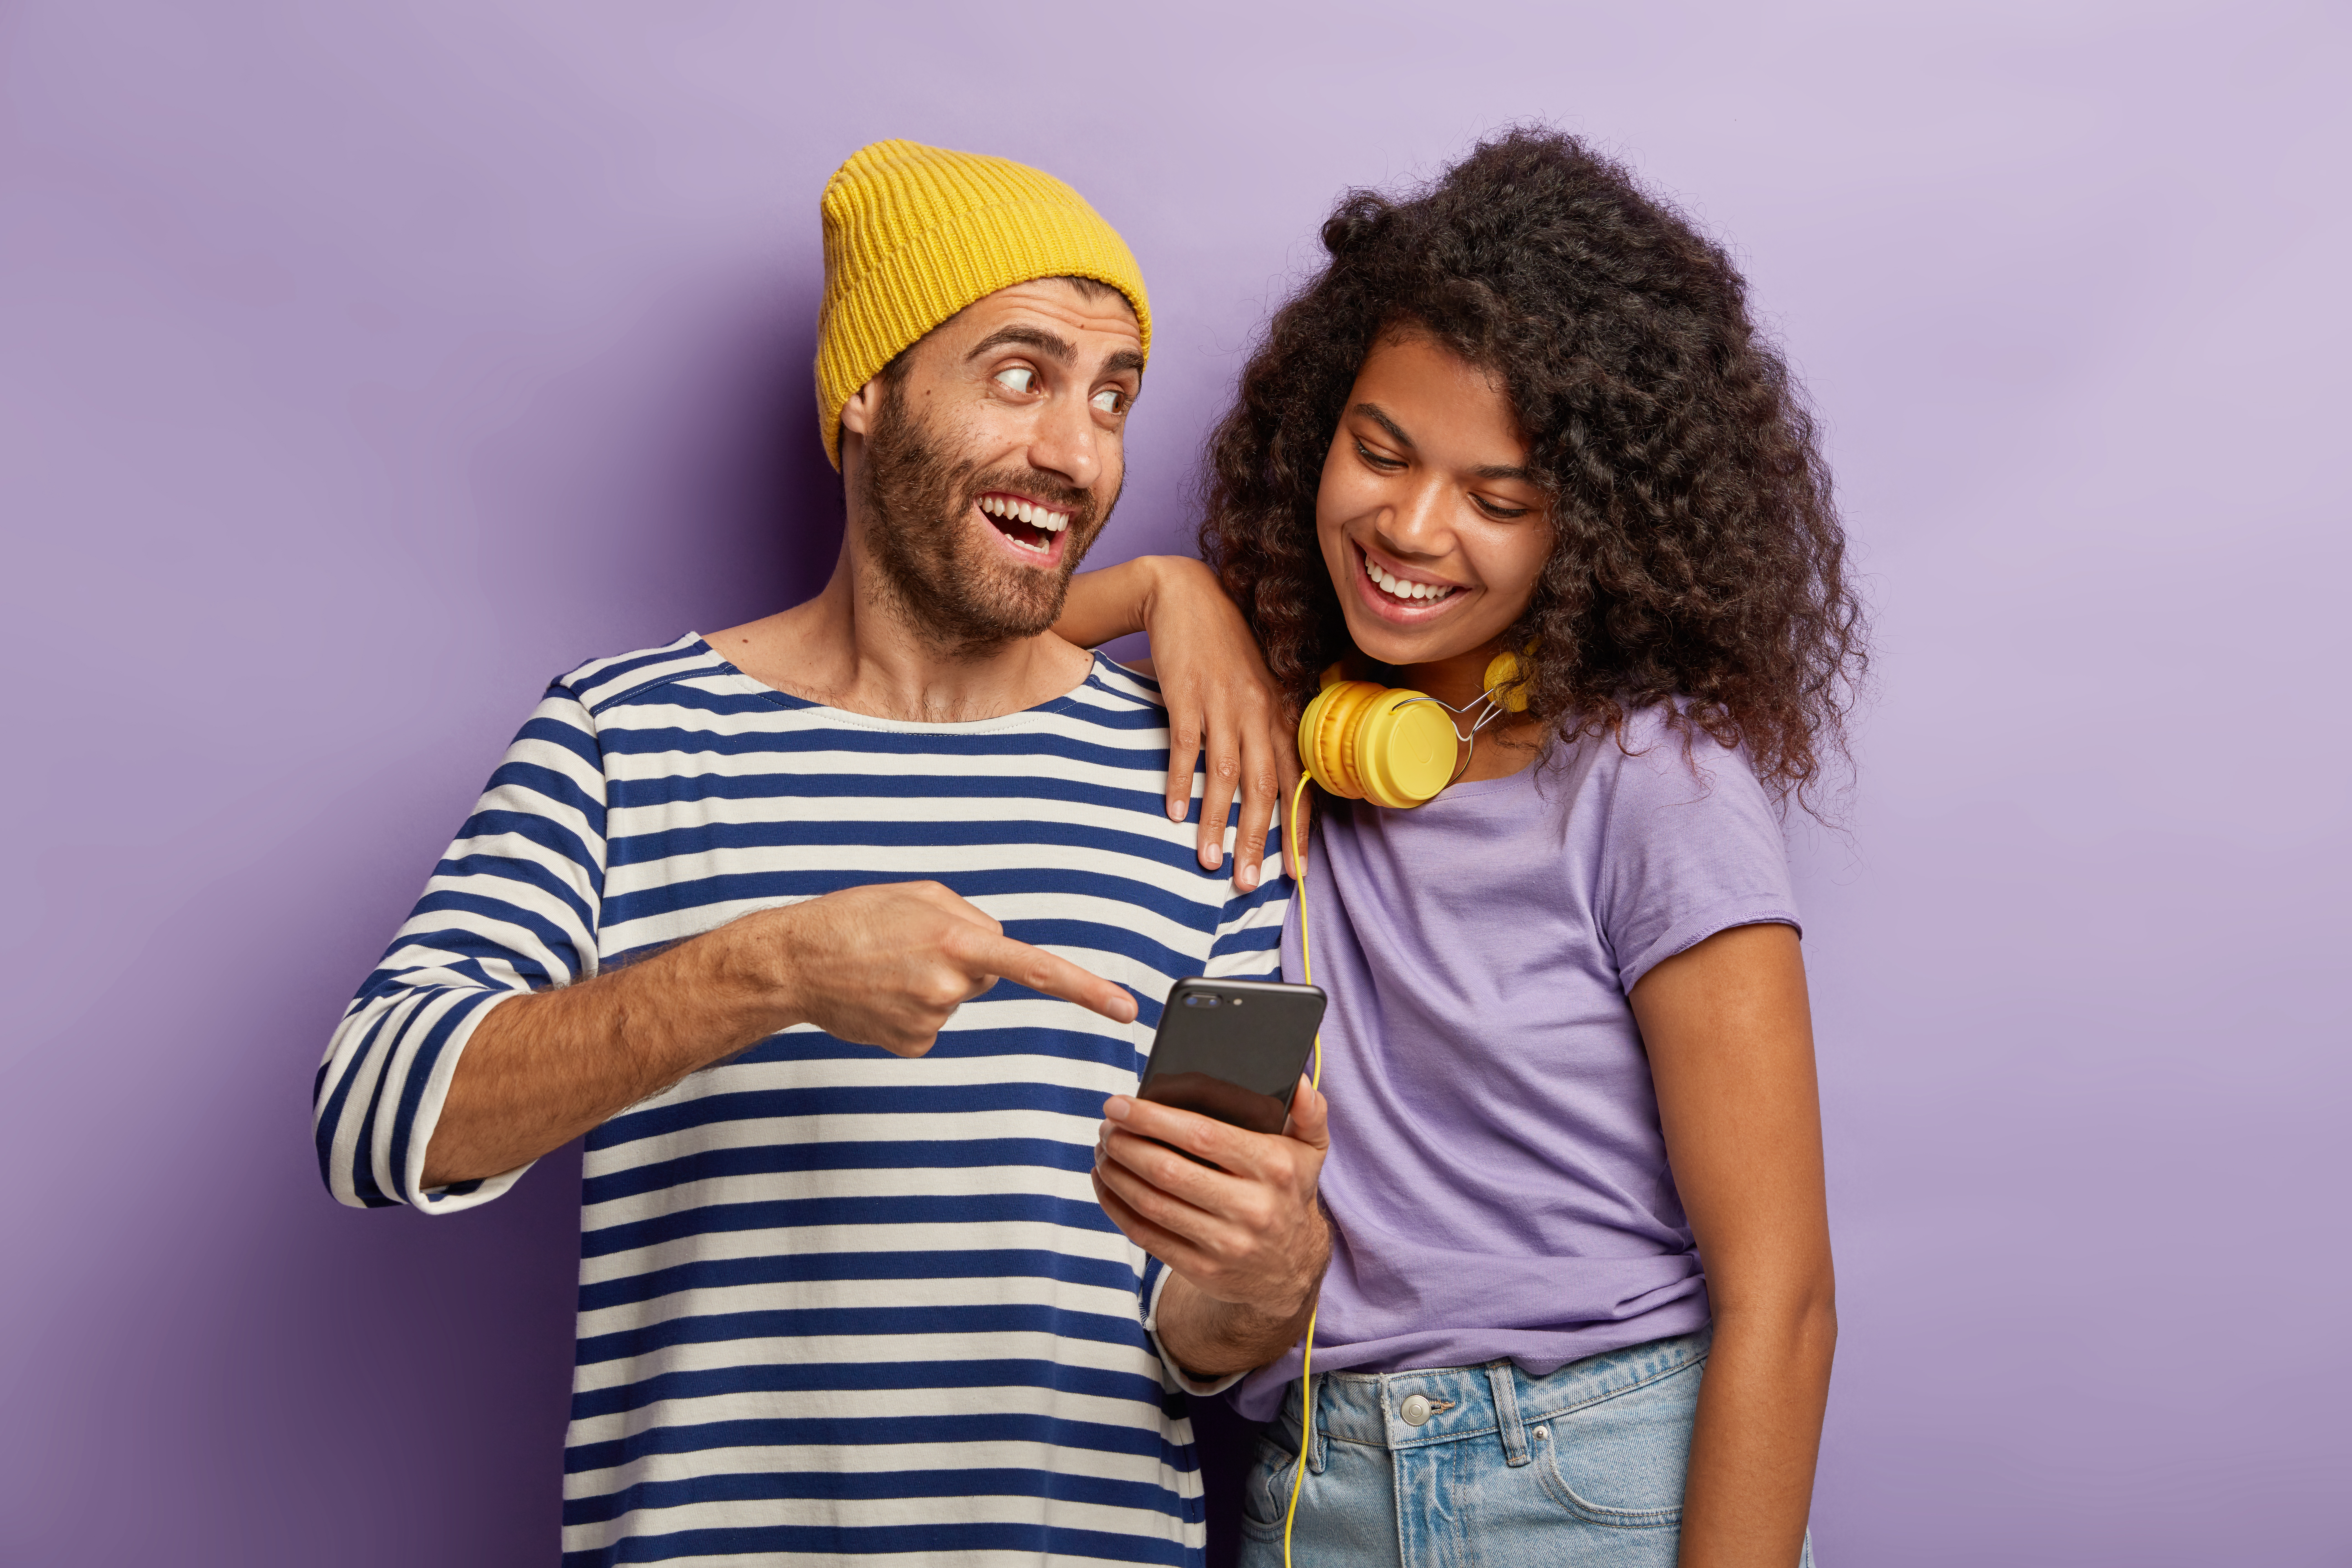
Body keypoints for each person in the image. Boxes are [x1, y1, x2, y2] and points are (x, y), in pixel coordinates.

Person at [313, 139, 1328, 1568]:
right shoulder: (627, 736)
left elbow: (1192, 1328)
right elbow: (371, 1117)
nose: (1079, 453)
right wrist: (774, 967)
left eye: (1113, 397)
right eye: (1021, 375)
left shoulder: (1202, 774)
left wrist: (1266, 1281)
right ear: (867, 390)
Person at [1086, 128, 1862, 1566]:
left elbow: (1786, 1299)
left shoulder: (1654, 785)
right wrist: (1159, 591)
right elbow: (957, 669)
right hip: (1316, 1487)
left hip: (1597, 1474)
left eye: (1498, 501)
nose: (1413, 526)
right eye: (1379, 453)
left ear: (1594, 530)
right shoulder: (1265, 735)